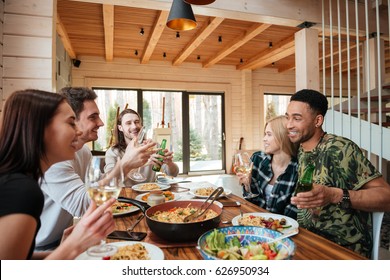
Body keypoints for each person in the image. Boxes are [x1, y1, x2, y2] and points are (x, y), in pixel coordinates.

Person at [0, 89, 116, 259]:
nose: (78, 131)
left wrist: (64, 248)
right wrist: (73, 246)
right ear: (40, 129)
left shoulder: (18, 181)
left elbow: (19, 258)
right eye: (71, 123)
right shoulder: (21, 191)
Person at [35, 87, 155, 251]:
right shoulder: (54, 156)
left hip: (65, 237)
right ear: (73, 120)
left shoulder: (83, 151)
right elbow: (84, 205)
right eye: (93, 117)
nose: (101, 123)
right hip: (39, 247)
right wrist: (125, 164)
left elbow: (98, 189)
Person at [285, 88, 390, 258]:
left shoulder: (339, 149)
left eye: (297, 118)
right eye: (287, 117)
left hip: (342, 249)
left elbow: (387, 197)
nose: (289, 124)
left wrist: (335, 195)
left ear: (318, 120)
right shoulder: (302, 148)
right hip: (308, 239)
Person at [238, 115, 299, 219]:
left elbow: (292, 214)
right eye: (265, 134)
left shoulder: (297, 170)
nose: (264, 139)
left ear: (282, 136)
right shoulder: (257, 159)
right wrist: (248, 186)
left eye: (269, 134)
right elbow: (250, 202)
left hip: (280, 229)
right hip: (254, 221)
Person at [104, 108, 179, 184]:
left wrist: (169, 163)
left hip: (150, 193)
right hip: (125, 194)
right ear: (120, 128)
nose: (134, 126)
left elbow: (173, 174)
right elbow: (110, 180)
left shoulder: (153, 147)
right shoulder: (113, 152)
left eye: (137, 122)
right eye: (128, 123)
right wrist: (144, 164)